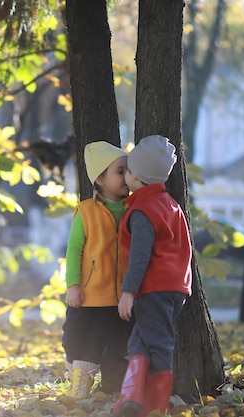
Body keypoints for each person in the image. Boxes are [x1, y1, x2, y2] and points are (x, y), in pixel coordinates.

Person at [110, 135, 192, 417]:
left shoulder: (143, 210)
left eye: (128, 171)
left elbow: (141, 255)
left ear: (139, 178)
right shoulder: (170, 205)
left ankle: (155, 406)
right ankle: (131, 401)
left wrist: (128, 292)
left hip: (152, 288)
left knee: (158, 343)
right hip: (175, 289)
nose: (125, 176)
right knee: (140, 341)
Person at [62, 141, 132, 398]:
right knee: (71, 338)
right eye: (120, 171)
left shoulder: (133, 210)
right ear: (100, 178)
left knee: (96, 342)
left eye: (128, 170)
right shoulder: (86, 211)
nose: (127, 177)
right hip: (87, 291)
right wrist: (73, 285)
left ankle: (81, 384)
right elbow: (74, 249)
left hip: (114, 297)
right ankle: (75, 368)